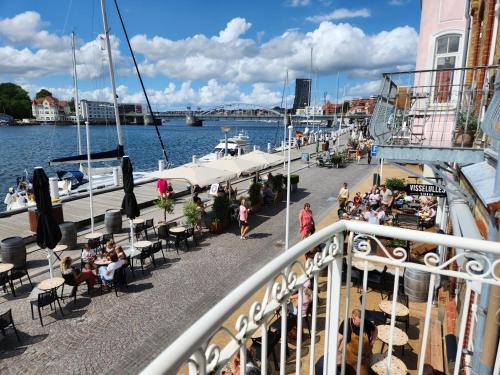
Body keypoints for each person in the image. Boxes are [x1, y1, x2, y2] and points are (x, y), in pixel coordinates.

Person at [338, 309, 377, 375]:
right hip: (349, 358)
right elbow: (339, 339)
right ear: (353, 317)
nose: (361, 321)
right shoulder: (346, 323)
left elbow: (375, 330)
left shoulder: (366, 323)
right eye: (359, 319)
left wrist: (373, 341)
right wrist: (336, 352)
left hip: (363, 359)